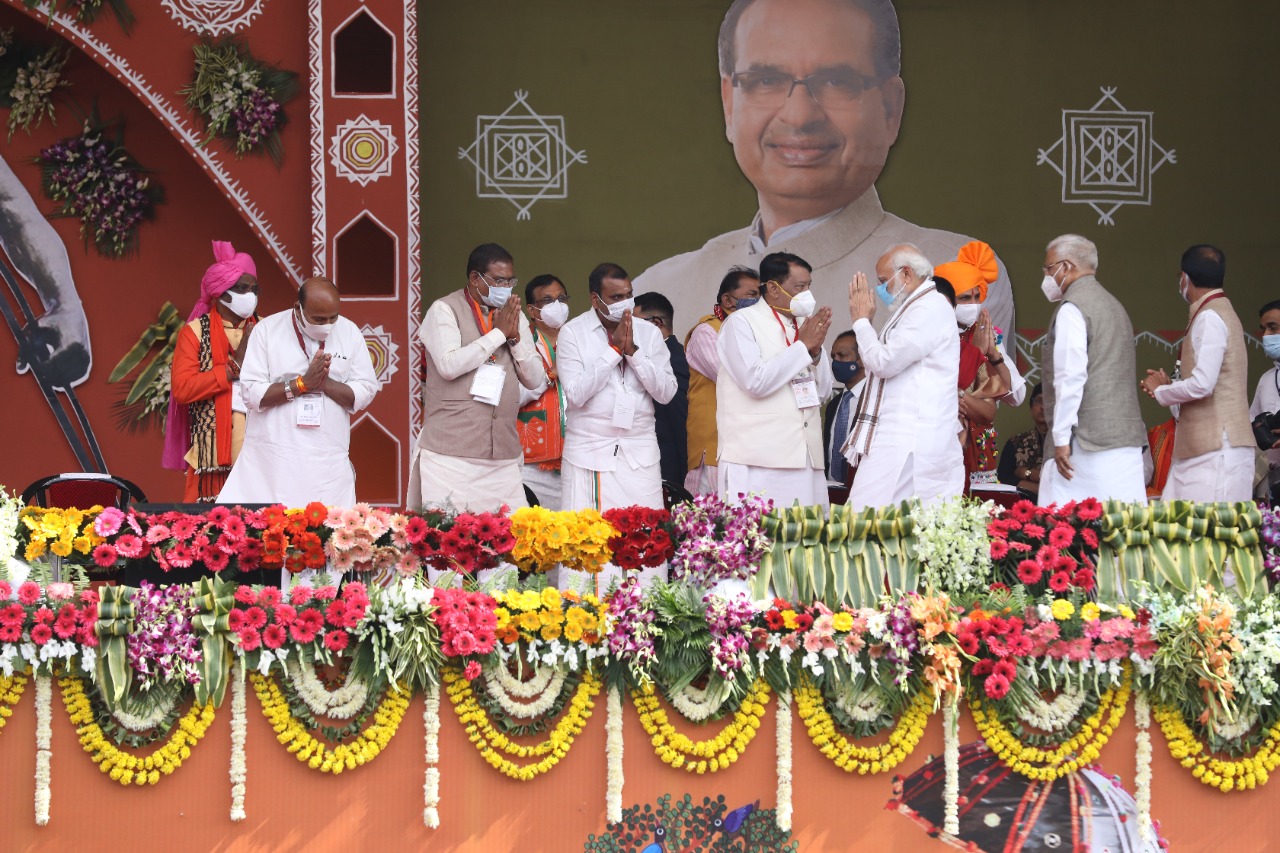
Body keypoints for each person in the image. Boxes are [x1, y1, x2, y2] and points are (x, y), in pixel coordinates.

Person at [634, 0, 1016, 347]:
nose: (799, 115)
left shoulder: (955, 274)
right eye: (766, 81)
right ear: (729, 104)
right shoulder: (659, 290)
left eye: (836, 82)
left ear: (890, 109)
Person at [218, 277, 379, 507]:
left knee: (330, 526)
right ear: (298, 308)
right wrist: (302, 384)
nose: (327, 325)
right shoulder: (267, 330)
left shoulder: (349, 331)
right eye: (319, 319)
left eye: (333, 317)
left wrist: (325, 384)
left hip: (327, 461)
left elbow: (366, 390)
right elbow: (251, 393)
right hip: (273, 461)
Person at [413, 243, 546, 512]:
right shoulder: (444, 309)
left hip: (503, 455)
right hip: (450, 455)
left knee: (512, 534)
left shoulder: (513, 315)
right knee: (452, 534)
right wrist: (498, 335)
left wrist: (515, 339)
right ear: (475, 278)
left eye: (510, 281)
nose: (506, 288)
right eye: (499, 280)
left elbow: (535, 380)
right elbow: (449, 365)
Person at [844, 244, 961, 509]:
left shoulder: (928, 308)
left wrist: (861, 322)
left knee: (864, 515)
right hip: (902, 434)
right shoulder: (917, 307)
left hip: (910, 435)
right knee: (875, 516)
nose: (880, 289)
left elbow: (883, 363)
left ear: (906, 273)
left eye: (883, 281)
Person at [556, 263, 677, 515]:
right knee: (589, 536)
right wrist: (613, 352)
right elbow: (575, 395)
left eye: (628, 295)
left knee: (645, 532)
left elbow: (667, 393)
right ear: (595, 299)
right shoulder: (573, 333)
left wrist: (633, 352)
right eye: (616, 297)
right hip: (589, 455)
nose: (625, 303)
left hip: (640, 456)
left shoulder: (649, 333)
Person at [1137, 246, 1254, 502]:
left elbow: (1203, 384)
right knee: (1177, 517)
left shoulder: (1210, 317)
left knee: (1201, 525)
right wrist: (1171, 387)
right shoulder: (1217, 311)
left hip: (1216, 449)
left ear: (1185, 278)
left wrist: (1161, 390)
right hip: (1206, 447)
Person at [717, 252, 834, 509]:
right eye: (799, 287)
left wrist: (815, 353)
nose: (807, 294)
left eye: (809, 285)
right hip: (757, 459)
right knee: (758, 532)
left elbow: (824, 392)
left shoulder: (805, 325)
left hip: (805, 456)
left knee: (805, 531)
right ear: (772, 287)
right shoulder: (741, 323)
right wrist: (802, 347)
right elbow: (755, 382)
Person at [1037, 235, 1147, 506]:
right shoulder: (1115, 306)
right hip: (1124, 441)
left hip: (1087, 446)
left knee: (1069, 524)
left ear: (1066, 266)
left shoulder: (1073, 308)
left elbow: (1070, 377)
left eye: (1049, 269)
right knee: (1123, 523)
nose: (1046, 276)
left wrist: (1061, 438)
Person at [164, 241, 259, 502]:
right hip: (212, 455)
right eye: (242, 288)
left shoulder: (267, 330)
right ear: (221, 292)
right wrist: (231, 368)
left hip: (262, 452)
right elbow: (183, 389)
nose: (250, 295)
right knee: (208, 524)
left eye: (254, 289)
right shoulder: (194, 332)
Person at [933, 242, 1017, 486]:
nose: (973, 304)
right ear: (946, 301)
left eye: (976, 296)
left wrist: (989, 353)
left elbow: (998, 404)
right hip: (939, 448)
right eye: (964, 298)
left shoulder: (982, 335)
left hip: (978, 452)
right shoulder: (928, 339)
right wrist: (975, 354)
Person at [683, 266, 761, 494]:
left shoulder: (756, 333)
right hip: (714, 450)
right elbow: (739, 380)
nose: (759, 302)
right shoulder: (707, 332)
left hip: (747, 449)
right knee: (713, 515)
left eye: (761, 295)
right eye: (752, 294)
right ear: (727, 300)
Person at [516, 274, 571, 510]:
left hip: (576, 459)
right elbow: (510, 397)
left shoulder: (581, 339)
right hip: (533, 465)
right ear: (531, 309)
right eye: (547, 300)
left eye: (561, 298)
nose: (557, 305)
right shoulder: (518, 343)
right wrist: (550, 375)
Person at [634, 292, 690, 489]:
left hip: (669, 473)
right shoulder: (647, 359)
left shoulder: (674, 359)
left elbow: (681, 421)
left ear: (656, 324)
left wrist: (683, 481)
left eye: (635, 325)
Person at [822, 330, 865, 486]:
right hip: (830, 490)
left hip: (861, 489)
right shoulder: (833, 404)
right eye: (833, 356)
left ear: (862, 359)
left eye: (842, 355)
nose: (835, 362)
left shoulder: (876, 401)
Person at [1250, 299, 1280, 499]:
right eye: (1264, 329)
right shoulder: (1267, 379)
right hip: (1274, 482)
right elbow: (1252, 425)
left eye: (1273, 328)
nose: (1266, 336)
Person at [996, 383, 1047, 498]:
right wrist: (1037, 488)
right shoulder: (1015, 442)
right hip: (1021, 505)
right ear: (1031, 407)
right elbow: (1003, 479)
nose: (1043, 407)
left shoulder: (1067, 444)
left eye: (1049, 402)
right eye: (1038, 401)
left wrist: (1026, 472)